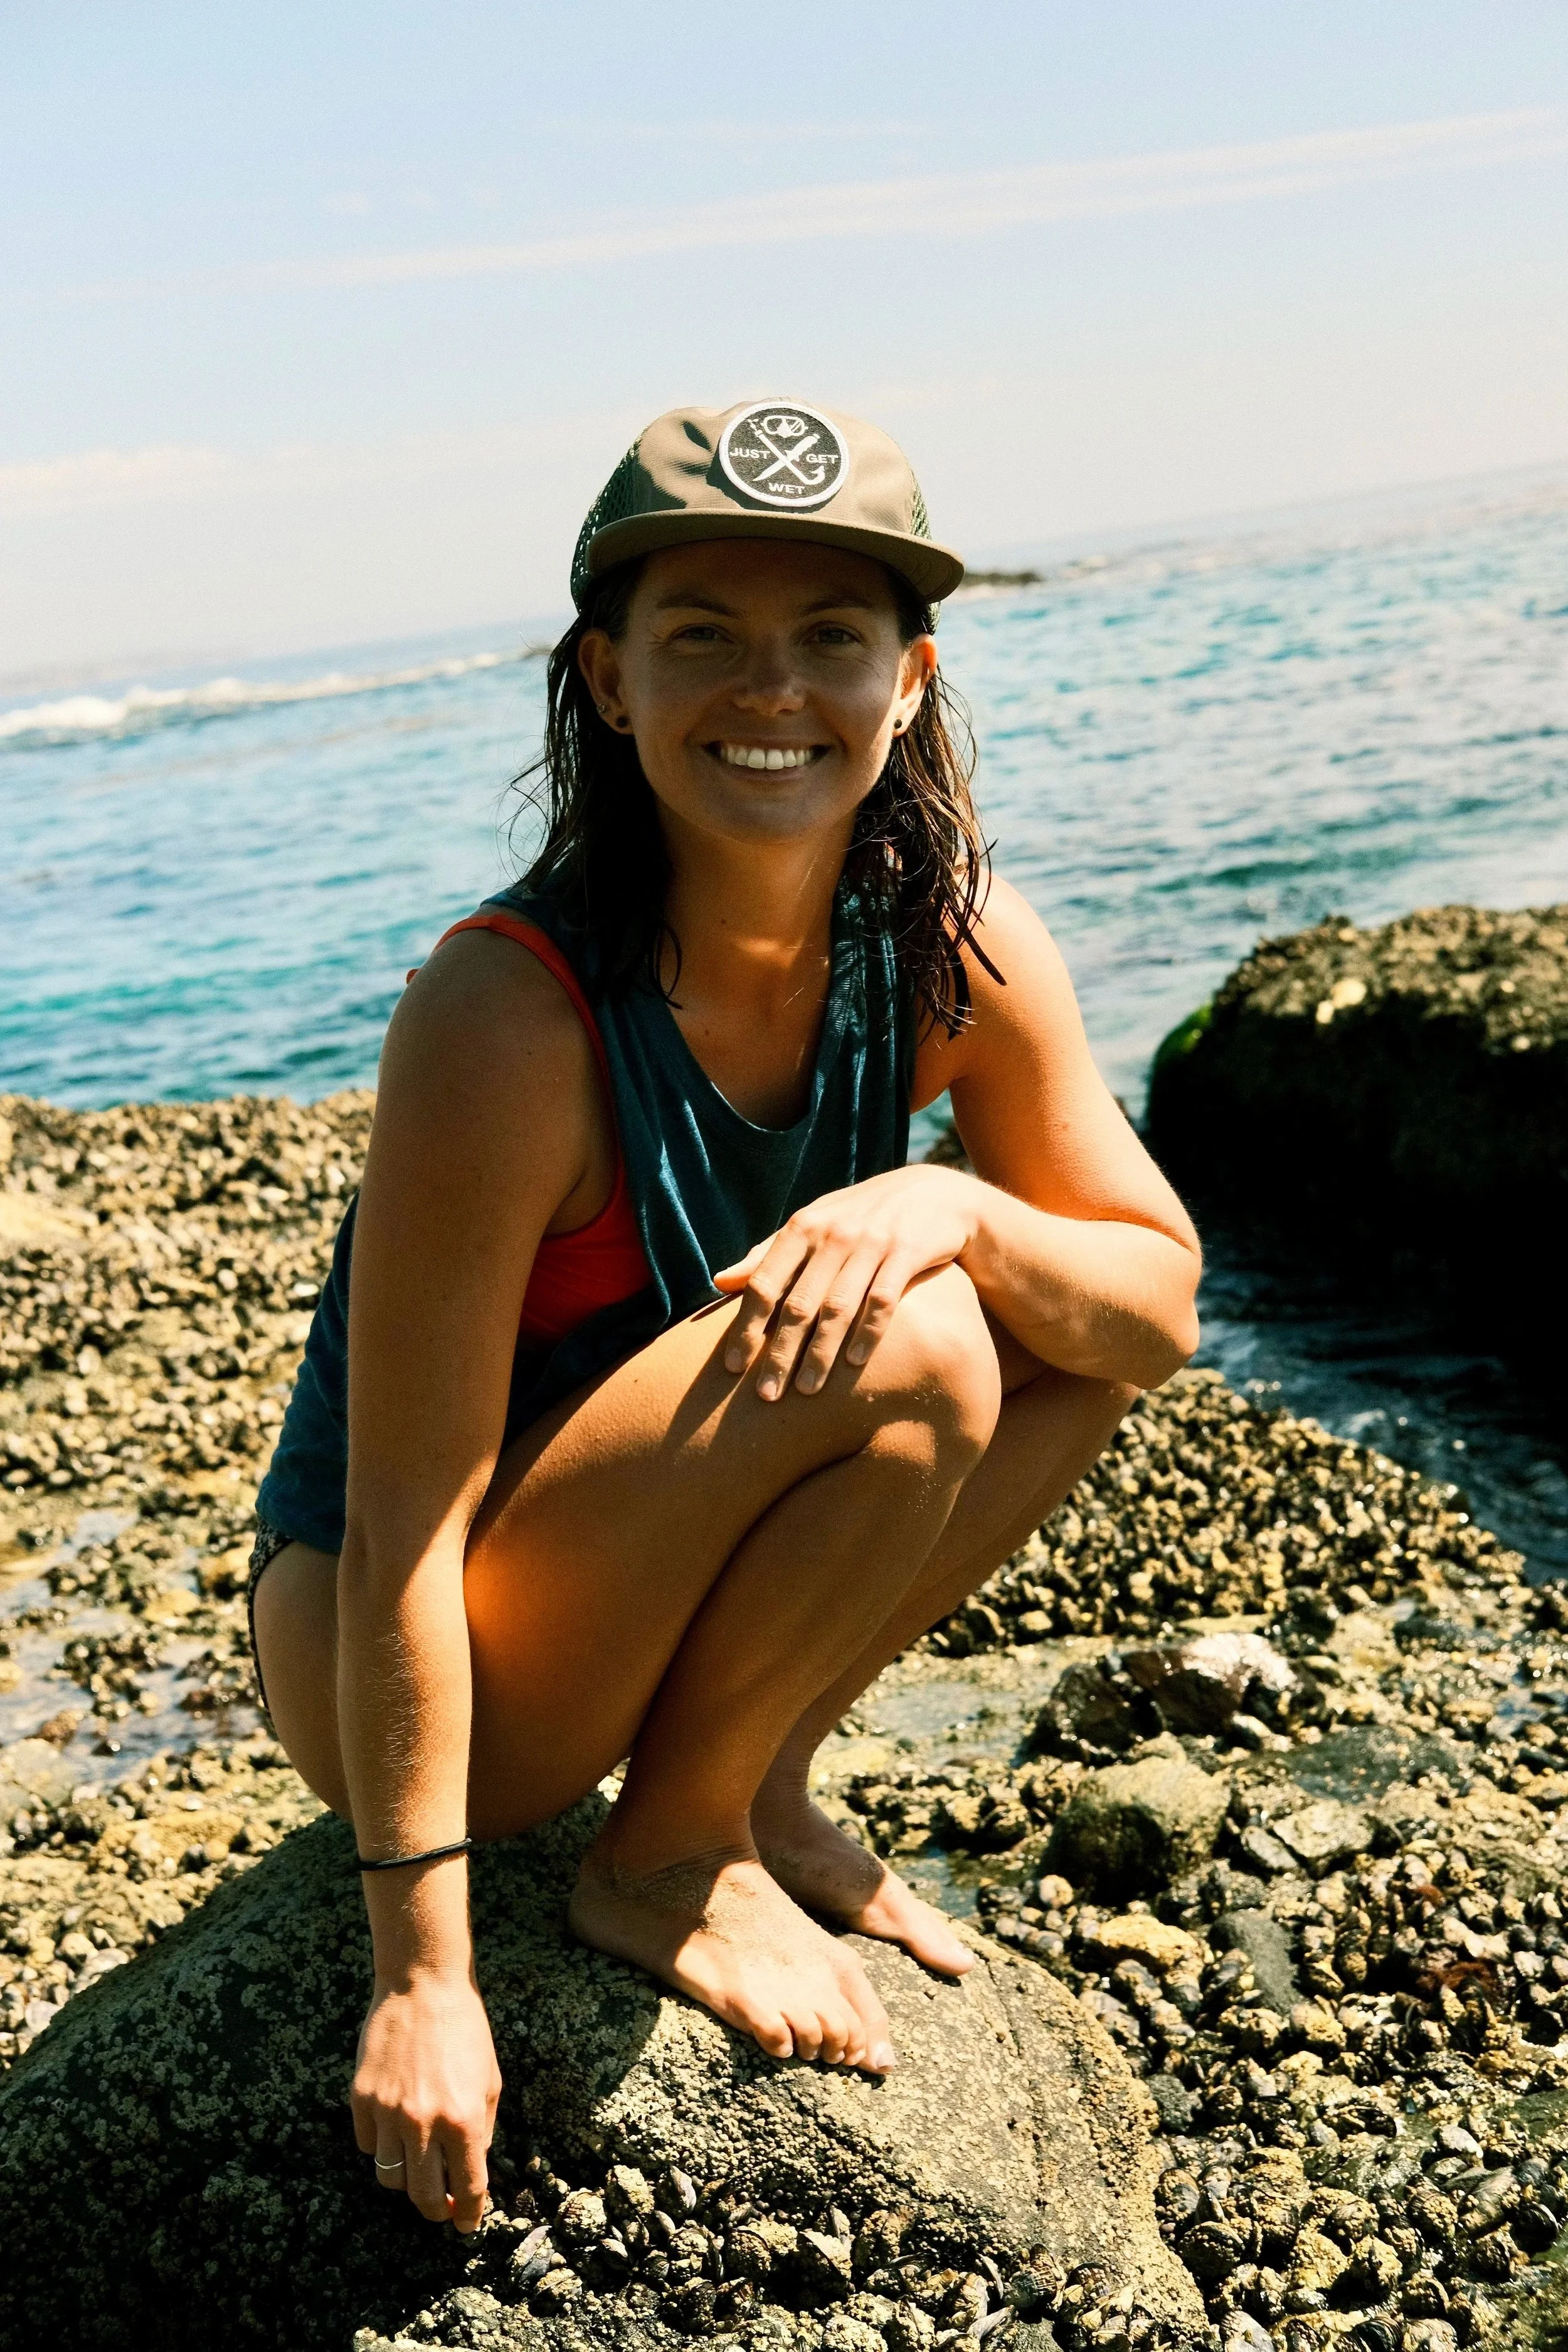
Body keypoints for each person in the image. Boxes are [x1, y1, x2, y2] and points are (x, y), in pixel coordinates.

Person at [248, 398, 1202, 2236]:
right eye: (702, 636)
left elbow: (1155, 1310)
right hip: (412, 1634)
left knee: (1033, 1322)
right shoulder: (503, 1016)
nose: (772, 688)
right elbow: (401, 1526)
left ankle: (738, 1787)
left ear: (908, 680)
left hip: (633, 1557)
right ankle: (657, 1851)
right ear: (607, 680)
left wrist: (954, 1201)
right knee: (921, 1341)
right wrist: (425, 1969)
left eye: (830, 637)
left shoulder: (950, 945)